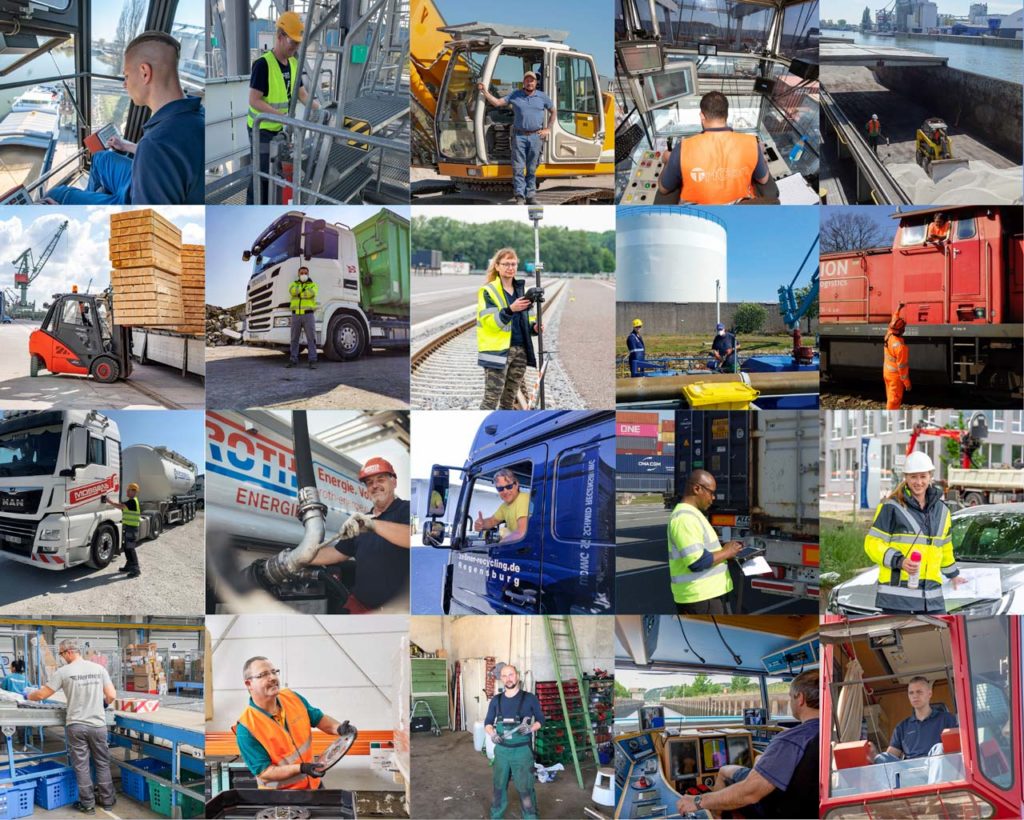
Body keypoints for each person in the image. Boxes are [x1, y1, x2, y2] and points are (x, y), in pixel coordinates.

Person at [47, 32, 204, 205]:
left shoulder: (157, 144)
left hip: (131, 199)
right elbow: (171, 160)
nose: (124, 84)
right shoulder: (196, 113)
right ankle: (91, 198)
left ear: (145, 73)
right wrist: (125, 145)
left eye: (127, 76)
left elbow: (144, 221)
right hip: (140, 181)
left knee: (56, 194)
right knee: (99, 158)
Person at [676, 670, 819, 819]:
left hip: (774, 807)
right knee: (752, 763)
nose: (791, 701)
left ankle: (716, 816)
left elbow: (750, 793)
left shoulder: (790, 739)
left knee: (724, 770)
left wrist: (698, 801)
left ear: (800, 698)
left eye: (791, 697)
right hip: (805, 808)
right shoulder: (832, 734)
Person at [864, 450, 964, 613]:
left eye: (923, 476)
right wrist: (900, 561)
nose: (918, 482)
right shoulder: (891, 507)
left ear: (930, 477)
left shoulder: (942, 511)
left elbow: (944, 547)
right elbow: (872, 544)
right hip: (897, 599)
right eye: (913, 477)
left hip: (932, 599)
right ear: (906, 478)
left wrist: (953, 575)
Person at [308, 457, 410, 613]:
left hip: (398, 609)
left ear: (394, 482)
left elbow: (411, 538)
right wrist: (300, 556)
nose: (375, 485)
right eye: (369, 483)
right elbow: (338, 553)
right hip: (361, 605)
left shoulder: (406, 509)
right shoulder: (360, 521)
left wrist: (373, 525)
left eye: (380, 480)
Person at [28, 640, 117, 815]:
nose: (61, 659)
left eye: (61, 655)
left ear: (68, 652)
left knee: (82, 766)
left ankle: (88, 805)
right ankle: (107, 801)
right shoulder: (99, 669)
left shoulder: (64, 672)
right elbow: (112, 695)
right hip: (98, 725)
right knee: (102, 763)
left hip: (76, 725)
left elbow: (41, 694)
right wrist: (102, 705)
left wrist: (27, 695)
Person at [235, 656, 352, 789]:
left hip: (313, 783)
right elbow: (265, 772)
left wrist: (339, 728)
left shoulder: (292, 698)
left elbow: (318, 718)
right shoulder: (246, 728)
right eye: (264, 674)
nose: (272, 677)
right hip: (281, 797)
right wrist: (301, 768)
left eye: (274, 672)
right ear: (249, 684)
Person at [247, 12, 319, 204]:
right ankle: (254, 204)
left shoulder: (294, 64)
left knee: (273, 170)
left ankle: (268, 203)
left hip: (279, 128)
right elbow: (254, 100)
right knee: (261, 173)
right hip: (261, 130)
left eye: (298, 43)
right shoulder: (263, 65)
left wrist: (320, 109)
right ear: (279, 37)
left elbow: (302, 94)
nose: (296, 47)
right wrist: (282, 117)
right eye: (292, 42)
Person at [657, 91, 772, 205]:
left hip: (698, 216)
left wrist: (668, 160)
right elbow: (763, 179)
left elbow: (663, 188)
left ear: (702, 116)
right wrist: (758, 154)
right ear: (726, 115)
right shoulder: (751, 144)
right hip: (738, 212)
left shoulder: (682, 149)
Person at [667, 469, 742, 614]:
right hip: (700, 599)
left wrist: (727, 553)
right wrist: (727, 552)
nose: (713, 498)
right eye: (711, 492)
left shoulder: (694, 515)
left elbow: (705, 552)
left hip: (707, 596)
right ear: (697, 489)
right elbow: (697, 562)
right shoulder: (684, 518)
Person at [476, 248, 541, 410]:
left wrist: (535, 328)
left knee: (509, 400)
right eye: (506, 264)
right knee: (491, 399)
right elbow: (490, 322)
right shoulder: (488, 291)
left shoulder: (522, 291)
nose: (510, 267)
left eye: (513, 264)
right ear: (497, 266)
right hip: (497, 352)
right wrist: (511, 309)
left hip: (520, 351)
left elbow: (527, 320)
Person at [477, 71, 555, 204]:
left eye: (532, 80)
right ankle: (520, 195)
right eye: (527, 80)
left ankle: (530, 195)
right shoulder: (515, 95)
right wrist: (485, 91)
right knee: (518, 168)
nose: (529, 83)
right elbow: (497, 102)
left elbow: (553, 111)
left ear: (536, 83)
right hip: (519, 136)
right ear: (523, 82)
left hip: (536, 136)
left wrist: (548, 129)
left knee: (531, 168)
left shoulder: (542, 97)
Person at [485, 664, 545, 820]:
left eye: (511, 675)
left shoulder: (530, 698)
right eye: (504, 676)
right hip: (502, 752)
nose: (508, 679)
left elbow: (541, 720)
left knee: (525, 787)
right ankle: (496, 815)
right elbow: (488, 723)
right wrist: (492, 734)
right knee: (498, 786)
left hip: (522, 753)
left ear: (517, 676)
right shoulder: (496, 701)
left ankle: (530, 817)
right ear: (501, 679)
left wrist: (531, 728)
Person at [874, 677, 958, 763]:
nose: (915, 696)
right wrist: (873, 754)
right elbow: (890, 755)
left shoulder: (947, 719)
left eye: (919, 692)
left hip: (935, 764)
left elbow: (957, 747)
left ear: (929, 694)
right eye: (911, 693)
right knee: (881, 758)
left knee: (940, 747)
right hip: (909, 769)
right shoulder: (902, 727)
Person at [473, 468, 530, 543]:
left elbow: (521, 533)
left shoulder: (523, 499)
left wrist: (500, 544)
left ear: (516, 484)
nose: (505, 491)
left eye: (509, 486)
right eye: (500, 488)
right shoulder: (505, 506)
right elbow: (492, 521)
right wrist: (482, 523)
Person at [103, 482, 142, 578]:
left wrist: (109, 501)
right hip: (129, 527)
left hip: (132, 528)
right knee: (126, 547)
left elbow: (120, 506)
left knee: (130, 548)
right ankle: (129, 566)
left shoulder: (132, 501)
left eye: (128, 490)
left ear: (133, 491)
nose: (127, 492)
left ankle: (136, 569)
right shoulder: (132, 501)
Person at [287, 266, 318, 369]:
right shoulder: (293, 284)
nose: (303, 274)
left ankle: (312, 361)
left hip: (308, 315)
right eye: (301, 273)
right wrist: (302, 290)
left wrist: (299, 293)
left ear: (308, 274)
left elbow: (311, 293)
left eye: (305, 273)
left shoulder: (313, 284)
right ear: (298, 274)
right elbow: (292, 291)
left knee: (311, 339)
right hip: (296, 315)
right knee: (294, 339)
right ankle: (293, 360)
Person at [882, 304, 911, 410]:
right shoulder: (900, 347)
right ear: (902, 331)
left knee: (890, 397)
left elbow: (894, 320)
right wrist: (907, 383)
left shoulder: (889, 334)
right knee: (894, 400)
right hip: (895, 378)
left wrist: (898, 308)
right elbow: (902, 368)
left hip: (887, 373)